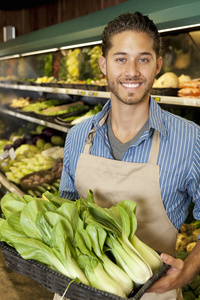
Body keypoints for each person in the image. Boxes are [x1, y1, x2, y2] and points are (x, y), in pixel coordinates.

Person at [55, 11, 200, 300]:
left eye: (143, 59)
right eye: (120, 58)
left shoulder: (191, 140)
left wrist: (189, 270)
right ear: (103, 66)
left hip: (154, 292)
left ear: (157, 65)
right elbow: (65, 213)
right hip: (79, 289)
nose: (132, 71)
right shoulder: (77, 137)